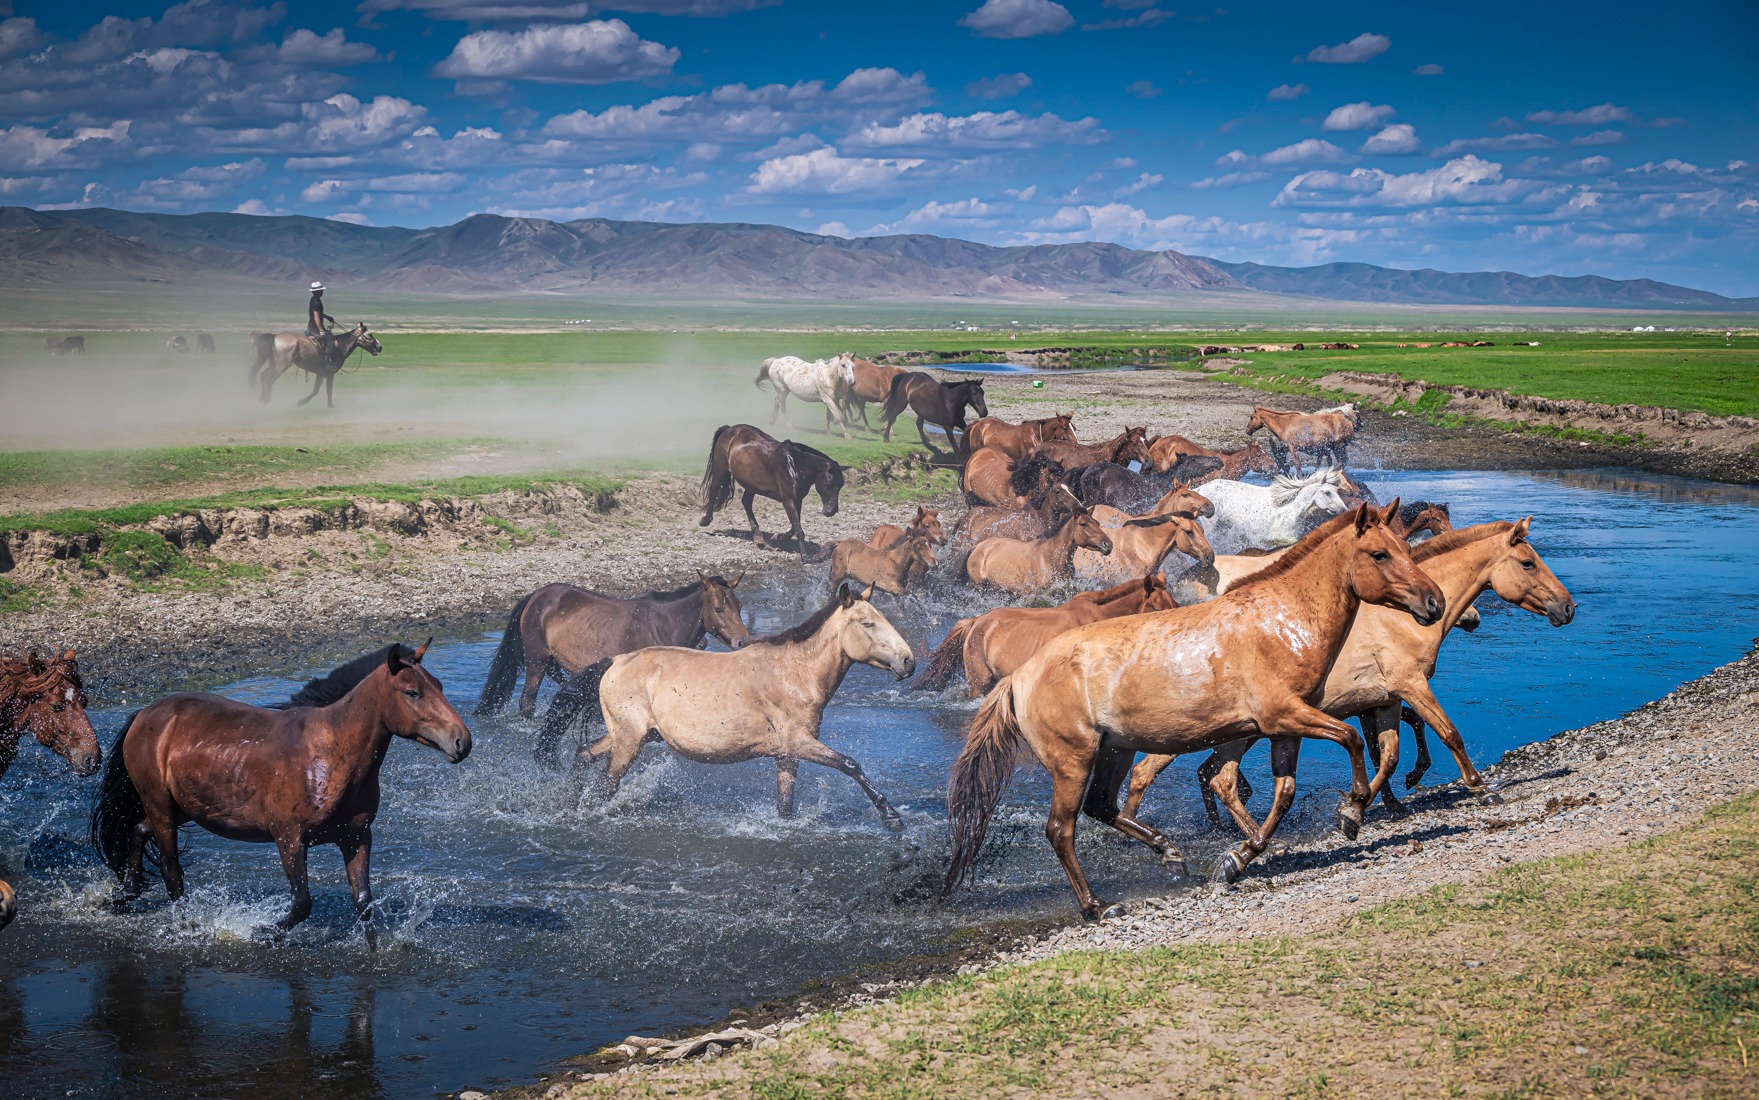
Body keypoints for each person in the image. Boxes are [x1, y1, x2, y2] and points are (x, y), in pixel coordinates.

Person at [306, 281, 337, 360]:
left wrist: (327, 317)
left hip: (311, 326)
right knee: (330, 340)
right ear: (316, 292)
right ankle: (326, 361)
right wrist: (321, 330)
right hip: (315, 328)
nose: (322, 292)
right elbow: (316, 317)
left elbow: (318, 313)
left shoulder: (313, 299)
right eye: (320, 290)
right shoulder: (317, 302)